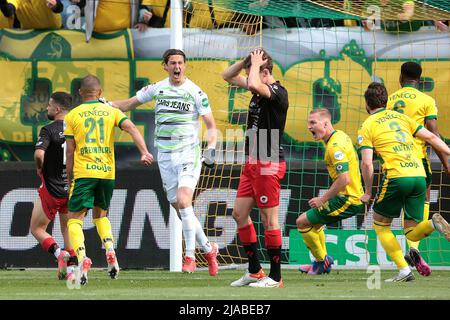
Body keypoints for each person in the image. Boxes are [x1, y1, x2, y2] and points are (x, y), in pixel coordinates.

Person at [111, 49, 219, 276]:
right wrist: (105, 104)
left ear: (184, 65)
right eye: (172, 63)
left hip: (188, 152)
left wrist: (211, 149)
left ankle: (190, 256)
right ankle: (209, 249)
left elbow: (210, 125)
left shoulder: (195, 92)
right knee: (181, 208)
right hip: (165, 155)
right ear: (165, 66)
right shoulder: (157, 88)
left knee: (183, 200)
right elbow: (129, 104)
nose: (177, 67)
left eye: (180, 63)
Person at [64, 75, 153, 285]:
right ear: (100, 92)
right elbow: (131, 127)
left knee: (74, 219)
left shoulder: (73, 115)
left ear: (80, 93)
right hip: (106, 173)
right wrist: (144, 152)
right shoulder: (112, 111)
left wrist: (70, 178)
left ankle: (82, 258)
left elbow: (69, 152)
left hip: (84, 172)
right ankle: (110, 250)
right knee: (100, 215)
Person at [359, 82, 450, 282]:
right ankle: (433, 224)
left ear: (367, 104)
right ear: (386, 101)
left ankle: (404, 270)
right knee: (411, 230)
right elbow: (433, 138)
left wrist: (367, 191)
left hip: (396, 176)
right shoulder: (403, 118)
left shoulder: (368, 125)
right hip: (419, 175)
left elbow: (367, 163)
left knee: (381, 225)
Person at [222, 48, 288, 288]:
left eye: (254, 71)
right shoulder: (257, 87)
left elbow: (252, 84)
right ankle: (255, 271)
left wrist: (256, 65)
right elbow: (227, 76)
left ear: (265, 72)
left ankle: (276, 277)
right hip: (252, 160)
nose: (249, 76)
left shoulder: (278, 92)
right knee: (239, 214)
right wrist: (245, 61)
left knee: (269, 219)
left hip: (268, 160)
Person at [386, 61, 450, 277]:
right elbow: (434, 135)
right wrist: (446, 162)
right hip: (418, 160)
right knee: (420, 200)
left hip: (394, 159)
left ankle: (410, 253)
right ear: (420, 80)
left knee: (388, 218)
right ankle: (414, 248)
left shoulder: (390, 100)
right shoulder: (427, 100)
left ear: (400, 77)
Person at [296, 108, 365, 275]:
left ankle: (322, 261)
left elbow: (344, 179)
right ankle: (320, 262)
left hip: (348, 199)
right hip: (349, 196)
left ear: (326, 124)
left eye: (313, 123)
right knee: (315, 223)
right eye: (308, 123)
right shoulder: (339, 135)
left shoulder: (335, 146)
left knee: (301, 222)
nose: (308, 127)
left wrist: (323, 199)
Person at [30, 91, 77, 280]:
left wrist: (39, 168)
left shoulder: (48, 130)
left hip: (51, 188)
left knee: (36, 229)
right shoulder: (76, 129)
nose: (47, 108)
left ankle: (59, 254)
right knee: (68, 229)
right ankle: (71, 273)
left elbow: (39, 154)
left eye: (49, 105)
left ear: (57, 108)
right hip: (70, 188)